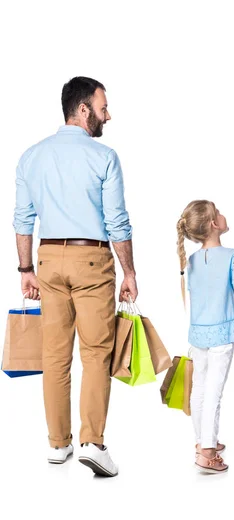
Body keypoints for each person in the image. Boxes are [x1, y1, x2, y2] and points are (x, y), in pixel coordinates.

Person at [13, 76, 138, 477]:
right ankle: (92, 443)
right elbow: (117, 222)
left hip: (47, 258)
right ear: (83, 109)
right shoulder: (103, 157)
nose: (108, 115)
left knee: (54, 356)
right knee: (96, 353)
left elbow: (22, 219)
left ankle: (57, 444)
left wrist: (26, 269)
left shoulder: (31, 157)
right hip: (91, 260)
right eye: (103, 108)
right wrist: (130, 271)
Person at [177, 200, 234, 473]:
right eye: (218, 212)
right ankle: (207, 452)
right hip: (221, 334)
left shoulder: (192, 261)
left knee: (199, 390)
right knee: (213, 393)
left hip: (198, 334)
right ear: (213, 224)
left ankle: (202, 441)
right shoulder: (233, 256)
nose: (222, 214)